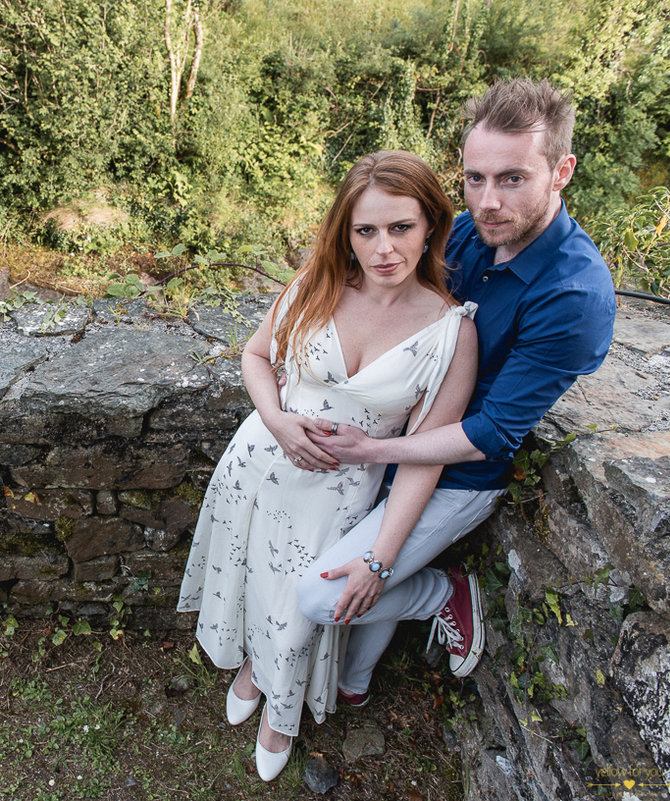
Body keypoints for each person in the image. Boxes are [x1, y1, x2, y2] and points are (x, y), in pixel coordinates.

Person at [293, 79, 616, 710]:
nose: (488, 202)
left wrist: (368, 453)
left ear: (563, 172)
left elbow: (492, 435)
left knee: (323, 596)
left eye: (513, 179)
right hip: (393, 432)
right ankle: (354, 684)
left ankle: (445, 593)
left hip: (459, 474)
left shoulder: (574, 297)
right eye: (474, 178)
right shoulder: (469, 233)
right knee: (346, 651)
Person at [177, 150, 479, 781]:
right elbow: (258, 357)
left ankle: (280, 717)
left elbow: (422, 459)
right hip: (257, 464)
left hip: (338, 494)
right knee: (249, 579)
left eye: (401, 227)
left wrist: (381, 558)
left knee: (297, 603)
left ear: (430, 226)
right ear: (346, 231)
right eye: (365, 230)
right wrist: (279, 420)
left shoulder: (452, 333)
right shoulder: (316, 284)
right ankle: (253, 670)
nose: (384, 248)